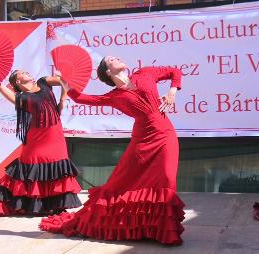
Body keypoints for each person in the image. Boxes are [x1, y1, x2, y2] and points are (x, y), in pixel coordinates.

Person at [40, 56, 185, 245]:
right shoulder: (114, 96)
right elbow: (82, 98)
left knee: (166, 178)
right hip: (142, 140)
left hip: (165, 134)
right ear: (108, 71)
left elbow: (175, 71)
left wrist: (172, 91)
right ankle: (106, 220)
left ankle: (164, 231)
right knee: (121, 182)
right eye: (111, 59)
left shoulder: (145, 73)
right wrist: (64, 81)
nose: (117, 58)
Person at [0, 53, 82, 217]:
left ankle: (55, 205)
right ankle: (33, 205)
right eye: (23, 72)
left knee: (56, 169)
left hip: (55, 137)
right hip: (36, 141)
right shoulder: (21, 97)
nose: (28, 73)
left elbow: (63, 83)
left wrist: (63, 92)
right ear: (18, 81)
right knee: (34, 172)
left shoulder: (43, 82)